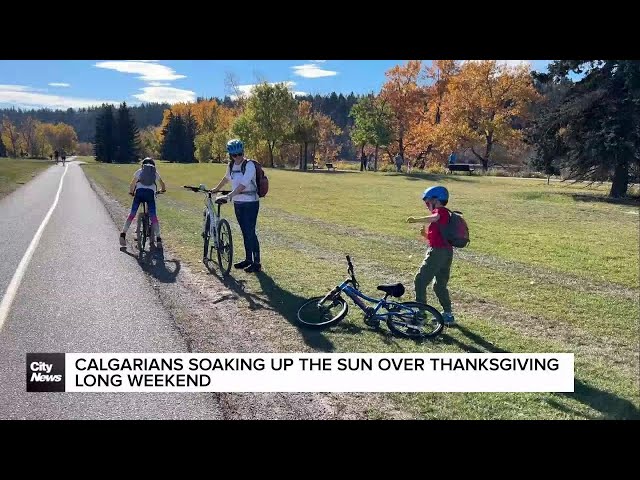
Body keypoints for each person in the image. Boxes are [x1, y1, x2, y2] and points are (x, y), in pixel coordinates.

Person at [210, 139, 262, 273]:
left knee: (250, 232)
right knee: (245, 231)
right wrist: (216, 189)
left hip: (251, 203)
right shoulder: (231, 165)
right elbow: (226, 178)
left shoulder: (249, 165)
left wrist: (229, 196)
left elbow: (243, 184)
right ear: (230, 155)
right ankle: (248, 259)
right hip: (238, 203)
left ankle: (256, 262)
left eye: (239, 154)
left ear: (243, 152)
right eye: (234, 155)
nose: (237, 157)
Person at [406, 185, 455, 325]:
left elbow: (435, 217)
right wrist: (425, 235)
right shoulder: (444, 215)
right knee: (439, 285)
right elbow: (439, 237)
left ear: (436, 200)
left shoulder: (441, 212)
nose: (427, 205)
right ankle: (448, 315)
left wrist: (417, 219)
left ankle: (420, 313)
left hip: (438, 253)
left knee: (420, 280)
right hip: (446, 252)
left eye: (428, 202)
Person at [119, 157, 166, 248]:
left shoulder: (139, 171)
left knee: (132, 214)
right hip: (150, 194)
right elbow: (162, 184)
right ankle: (159, 239)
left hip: (139, 193)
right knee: (153, 216)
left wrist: (131, 192)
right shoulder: (155, 172)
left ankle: (123, 234)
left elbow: (132, 184)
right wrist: (162, 190)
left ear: (143, 165)